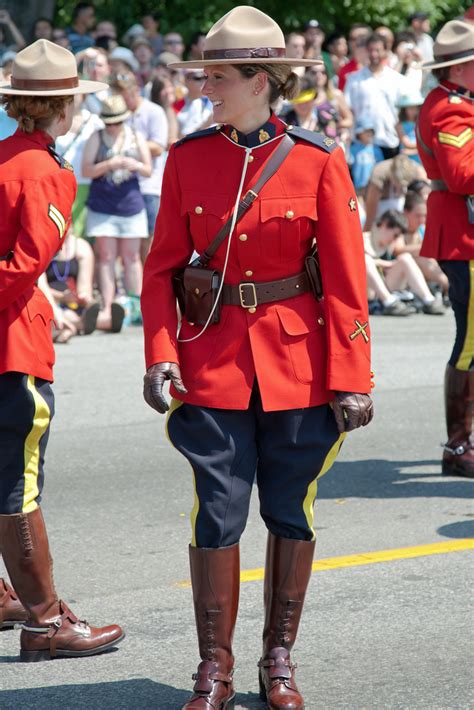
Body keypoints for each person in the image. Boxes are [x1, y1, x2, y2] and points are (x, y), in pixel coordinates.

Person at [141, 7, 373, 710]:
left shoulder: (317, 159)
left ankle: (279, 657)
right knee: (217, 513)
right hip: (210, 363)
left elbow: (345, 282)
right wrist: (159, 354)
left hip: (298, 368)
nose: (205, 86)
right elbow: (159, 273)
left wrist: (352, 378)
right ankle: (214, 664)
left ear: (259, 80)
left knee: (290, 511)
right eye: (205, 74)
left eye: (216, 75)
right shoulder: (188, 159)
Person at [0, 39, 124, 660]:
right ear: (61, 108)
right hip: (11, 344)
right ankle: (46, 623)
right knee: (19, 486)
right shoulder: (46, 169)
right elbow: (23, 269)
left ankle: (6, 597)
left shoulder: (3, 158)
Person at [416, 15, 474, 478]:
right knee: (471, 344)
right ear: (458, 69)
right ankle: (459, 445)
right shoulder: (451, 108)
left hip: (463, 234)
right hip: (465, 237)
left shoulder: (457, 100)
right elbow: (461, 176)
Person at [82, 94, 152, 331]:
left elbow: (148, 170)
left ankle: (138, 305)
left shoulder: (135, 136)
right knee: (106, 256)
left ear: (124, 120)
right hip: (103, 204)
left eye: (116, 122)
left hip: (130, 204)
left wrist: (136, 165)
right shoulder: (96, 137)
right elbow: (86, 169)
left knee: (132, 257)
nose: (112, 126)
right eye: (109, 122)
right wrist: (109, 164)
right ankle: (108, 306)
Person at [112, 72, 168, 260]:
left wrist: (126, 146)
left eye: (125, 94)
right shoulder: (120, 114)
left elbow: (159, 147)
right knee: (127, 238)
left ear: (136, 90)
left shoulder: (154, 111)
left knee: (151, 238)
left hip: (149, 185)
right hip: (123, 185)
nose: (122, 99)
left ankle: (149, 281)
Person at [344, 32, 409, 159]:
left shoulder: (397, 80)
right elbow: (347, 110)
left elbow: (406, 112)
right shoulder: (353, 80)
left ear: (386, 51)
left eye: (378, 50)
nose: (374, 54)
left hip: (391, 141)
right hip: (362, 145)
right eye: (371, 50)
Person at [396, 90, 424, 163]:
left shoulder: (421, 123)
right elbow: (407, 143)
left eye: (415, 108)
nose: (413, 111)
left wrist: (413, 151)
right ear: (404, 109)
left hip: (420, 158)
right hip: (406, 160)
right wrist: (420, 148)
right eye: (410, 108)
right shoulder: (400, 125)